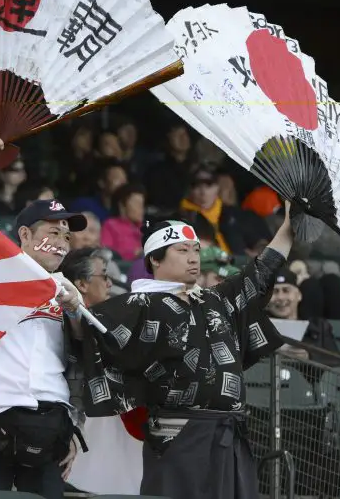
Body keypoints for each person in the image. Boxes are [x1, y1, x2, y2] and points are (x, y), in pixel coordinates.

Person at [73, 208, 296, 499]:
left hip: (229, 433)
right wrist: (70, 302)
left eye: (195, 249)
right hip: (176, 436)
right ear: (155, 258)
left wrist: (290, 224)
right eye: (182, 250)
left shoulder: (216, 298)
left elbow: (263, 270)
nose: (193, 257)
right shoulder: (138, 304)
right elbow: (88, 332)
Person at [0, 137, 86, 499]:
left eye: (66, 235)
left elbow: (83, 364)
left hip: (50, 421)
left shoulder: (68, 292)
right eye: (51, 232)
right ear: (25, 235)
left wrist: (73, 427)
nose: (60, 241)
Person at [60, 248, 144, 497]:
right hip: (77, 420)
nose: (109, 283)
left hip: (113, 429)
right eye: (103, 276)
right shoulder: (58, 321)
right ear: (82, 284)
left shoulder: (114, 323)